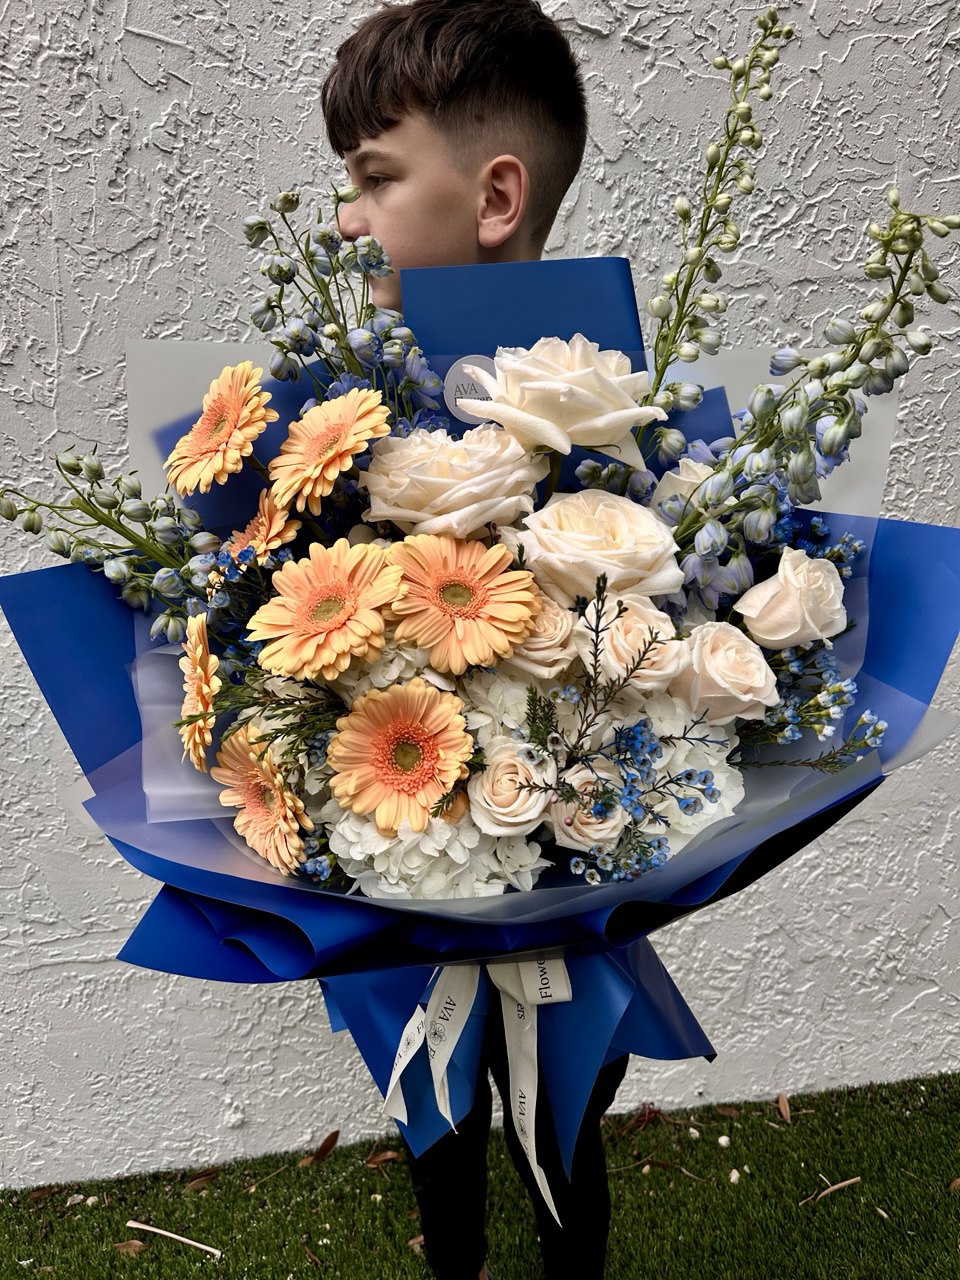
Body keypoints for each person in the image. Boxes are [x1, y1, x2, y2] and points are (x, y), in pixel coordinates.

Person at [322, 3, 629, 1278]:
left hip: (565, 873)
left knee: (563, 1133)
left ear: (496, 194)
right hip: (404, 860)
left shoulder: (613, 438)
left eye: (376, 179)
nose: (347, 218)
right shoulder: (333, 419)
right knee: (435, 1124)